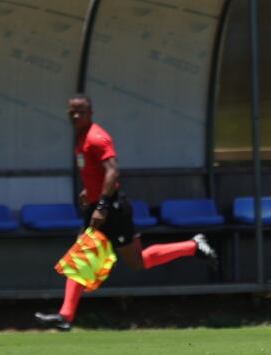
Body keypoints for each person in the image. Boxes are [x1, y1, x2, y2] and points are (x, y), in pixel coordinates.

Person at [35, 94, 217, 331]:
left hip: (111, 209)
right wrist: (88, 192)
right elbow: (96, 173)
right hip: (98, 205)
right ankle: (66, 316)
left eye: (81, 111)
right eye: (72, 111)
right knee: (86, 256)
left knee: (130, 261)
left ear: (91, 112)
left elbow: (112, 172)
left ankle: (193, 245)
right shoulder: (81, 137)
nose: (76, 115)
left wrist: (101, 205)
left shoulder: (97, 137)